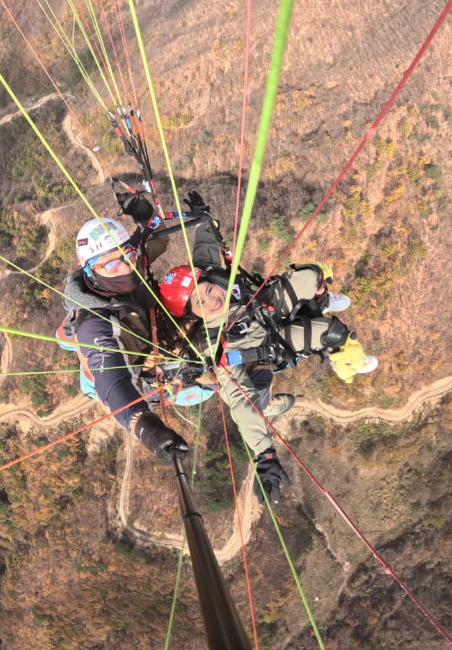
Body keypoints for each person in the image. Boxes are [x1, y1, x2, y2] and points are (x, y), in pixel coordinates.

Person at [159, 195, 377, 503]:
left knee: (312, 273)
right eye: (201, 303)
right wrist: (264, 454)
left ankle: (322, 297)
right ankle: (350, 364)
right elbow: (240, 402)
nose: (212, 299)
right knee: (332, 333)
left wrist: (203, 219)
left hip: (267, 307)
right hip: (273, 344)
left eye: (208, 290)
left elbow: (205, 251)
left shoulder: (215, 279)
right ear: (194, 315)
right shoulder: (220, 346)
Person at [60, 207, 189, 464]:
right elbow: (112, 381)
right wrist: (148, 430)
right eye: (109, 263)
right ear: (89, 270)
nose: (124, 266)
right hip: (123, 370)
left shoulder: (128, 264)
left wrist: (146, 214)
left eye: (126, 254)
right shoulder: (94, 325)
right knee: (200, 387)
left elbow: (158, 240)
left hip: (144, 335)